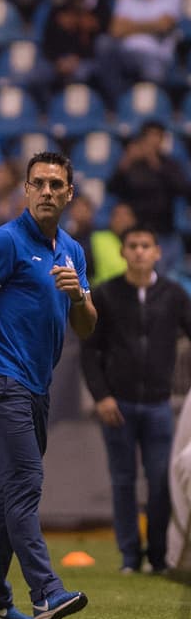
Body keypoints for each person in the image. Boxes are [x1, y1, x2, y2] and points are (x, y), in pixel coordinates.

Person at [0, 151, 96, 619]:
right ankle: (46, 591)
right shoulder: (4, 241)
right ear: (26, 190)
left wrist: (78, 297)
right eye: (39, 183)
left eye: (56, 184)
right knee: (26, 481)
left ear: (69, 193)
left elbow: (87, 326)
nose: (47, 191)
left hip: (37, 384)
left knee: (10, 487)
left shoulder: (72, 251)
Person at [80, 227, 191, 574]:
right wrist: (101, 396)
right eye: (133, 246)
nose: (140, 251)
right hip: (118, 404)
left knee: (160, 481)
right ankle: (130, 556)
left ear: (158, 252)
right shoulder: (106, 294)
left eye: (146, 245)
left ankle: (158, 556)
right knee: (123, 481)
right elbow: (89, 351)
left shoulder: (173, 295)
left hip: (159, 404)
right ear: (123, 252)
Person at [100, 0, 182, 104]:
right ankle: (117, 105)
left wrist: (130, 26)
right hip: (126, 52)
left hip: (155, 54)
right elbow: (116, 30)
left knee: (153, 69)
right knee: (104, 44)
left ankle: (156, 105)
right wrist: (151, 24)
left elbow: (163, 26)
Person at [107, 121, 191, 249]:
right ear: (142, 139)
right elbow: (112, 189)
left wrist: (155, 163)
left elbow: (182, 189)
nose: (154, 141)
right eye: (150, 136)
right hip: (136, 230)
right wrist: (125, 162)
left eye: (158, 136)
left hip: (165, 230)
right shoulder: (132, 164)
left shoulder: (169, 164)